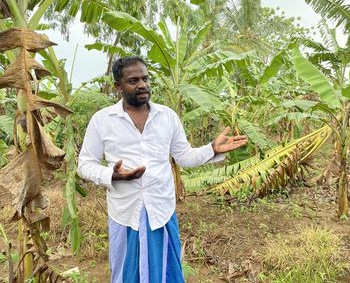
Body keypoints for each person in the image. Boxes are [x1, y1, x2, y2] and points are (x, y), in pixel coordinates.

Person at [77, 56, 248, 283]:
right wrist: (112, 175)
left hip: (160, 209)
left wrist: (212, 149)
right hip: (125, 211)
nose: (142, 85)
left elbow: (184, 157)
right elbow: (85, 164)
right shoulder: (102, 120)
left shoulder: (167, 117)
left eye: (145, 78)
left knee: (166, 271)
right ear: (118, 86)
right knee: (125, 273)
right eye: (133, 80)